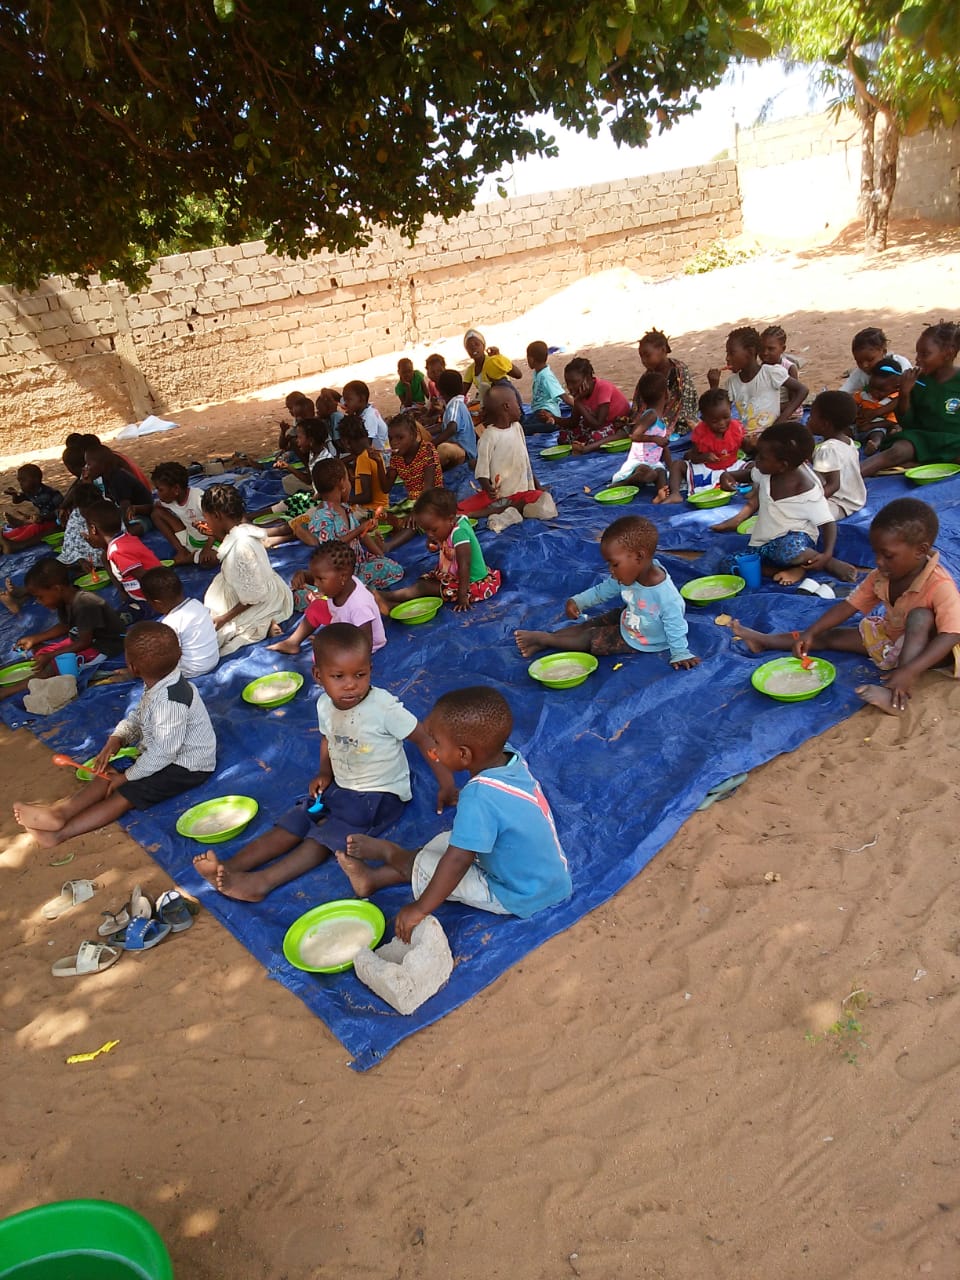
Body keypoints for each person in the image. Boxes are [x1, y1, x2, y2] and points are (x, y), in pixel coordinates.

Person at [193, 623, 456, 901]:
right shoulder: (325, 706)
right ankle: (230, 867)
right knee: (298, 818)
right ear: (318, 676)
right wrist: (324, 772)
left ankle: (262, 882)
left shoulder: (384, 708)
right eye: (338, 676)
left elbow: (425, 739)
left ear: (370, 669)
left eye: (360, 674)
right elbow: (327, 739)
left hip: (379, 795)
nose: (350, 684)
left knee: (325, 836)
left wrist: (447, 785)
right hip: (341, 788)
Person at [335, 686, 572, 939]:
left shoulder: (478, 797)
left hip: (519, 894)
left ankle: (391, 853)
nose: (432, 750)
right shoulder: (509, 757)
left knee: (436, 864)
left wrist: (419, 909)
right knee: (445, 842)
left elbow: (457, 861)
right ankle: (373, 880)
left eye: (436, 742)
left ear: (463, 754)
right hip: (546, 877)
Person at [726, 498, 960, 715]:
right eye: (876, 553)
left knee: (920, 616)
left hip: (932, 653)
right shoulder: (882, 576)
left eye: (888, 555)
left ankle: (895, 696)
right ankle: (764, 640)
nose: (878, 562)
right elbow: (848, 606)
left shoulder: (939, 584)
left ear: (920, 551)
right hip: (892, 638)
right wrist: (811, 632)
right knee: (829, 636)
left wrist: (908, 670)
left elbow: (951, 634)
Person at [13, 621, 216, 848]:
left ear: (132, 667)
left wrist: (127, 777)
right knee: (107, 774)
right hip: (160, 755)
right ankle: (59, 813)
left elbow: (164, 753)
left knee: (126, 794)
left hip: (186, 767)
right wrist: (118, 737)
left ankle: (60, 834)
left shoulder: (171, 701)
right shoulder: (160, 683)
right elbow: (139, 717)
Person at [514, 515, 699, 667]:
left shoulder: (666, 596)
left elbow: (676, 626)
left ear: (639, 557)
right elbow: (602, 590)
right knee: (590, 624)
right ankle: (547, 641)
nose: (611, 570)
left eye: (615, 564)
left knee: (590, 637)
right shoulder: (632, 573)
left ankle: (545, 639)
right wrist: (578, 601)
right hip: (631, 616)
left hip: (641, 639)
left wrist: (680, 653)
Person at [712, 423, 856, 585]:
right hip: (763, 543)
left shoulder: (805, 489)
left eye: (762, 457)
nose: (756, 460)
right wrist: (728, 476)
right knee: (728, 563)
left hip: (793, 541)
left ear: (783, 465)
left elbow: (828, 523)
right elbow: (747, 474)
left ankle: (826, 563)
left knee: (786, 549)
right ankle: (789, 570)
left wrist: (827, 554)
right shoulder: (767, 471)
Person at [2, 557, 125, 700]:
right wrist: (35, 638)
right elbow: (65, 626)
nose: (38, 602)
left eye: (40, 597)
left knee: (54, 667)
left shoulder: (85, 604)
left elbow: (84, 642)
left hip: (103, 645)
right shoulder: (64, 600)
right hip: (81, 638)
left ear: (56, 589)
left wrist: (51, 656)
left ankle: (7, 691)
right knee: (39, 652)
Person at [375, 487, 501, 614]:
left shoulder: (459, 533)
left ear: (450, 519)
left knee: (423, 587)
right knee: (425, 583)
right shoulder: (446, 526)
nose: (429, 534)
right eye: (426, 530)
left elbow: (465, 565)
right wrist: (434, 543)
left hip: (470, 583)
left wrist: (462, 596)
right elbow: (444, 546)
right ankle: (392, 600)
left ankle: (388, 597)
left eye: (433, 530)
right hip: (455, 576)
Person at [200, 483, 294, 654]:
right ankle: (269, 621)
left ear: (216, 516)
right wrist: (215, 533)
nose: (207, 523)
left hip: (257, 600)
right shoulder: (243, 529)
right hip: (263, 587)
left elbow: (253, 597)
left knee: (210, 640)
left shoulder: (241, 549)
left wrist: (223, 619)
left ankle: (266, 621)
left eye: (207, 518)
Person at [861, 322, 960, 477]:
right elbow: (906, 423)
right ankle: (849, 476)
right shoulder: (916, 381)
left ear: (949, 353)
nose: (917, 359)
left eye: (925, 354)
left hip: (954, 441)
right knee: (898, 451)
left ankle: (919, 463)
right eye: (917, 353)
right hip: (921, 439)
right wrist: (905, 393)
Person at [294, 458, 402, 590]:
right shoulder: (322, 516)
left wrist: (380, 554)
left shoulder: (344, 508)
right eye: (348, 479)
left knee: (392, 568)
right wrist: (359, 530)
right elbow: (330, 549)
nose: (350, 484)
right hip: (340, 572)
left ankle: (358, 587)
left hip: (359, 563)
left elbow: (362, 536)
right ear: (341, 484)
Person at [269, 540, 386, 655]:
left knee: (323, 659)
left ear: (343, 577)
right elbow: (316, 578)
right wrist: (302, 575)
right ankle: (292, 643)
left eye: (320, 579)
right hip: (343, 626)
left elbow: (366, 644)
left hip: (359, 645)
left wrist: (334, 646)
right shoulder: (342, 583)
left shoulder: (359, 606)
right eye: (315, 578)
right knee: (317, 607)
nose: (315, 583)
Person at [457, 386, 555, 522]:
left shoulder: (517, 427)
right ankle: (478, 513)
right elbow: (481, 470)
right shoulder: (489, 437)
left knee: (537, 499)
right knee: (505, 504)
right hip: (502, 495)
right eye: (517, 403)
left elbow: (525, 461)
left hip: (524, 491)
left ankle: (506, 510)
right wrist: (488, 489)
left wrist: (538, 486)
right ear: (506, 407)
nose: (520, 408)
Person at [707, 326, 807, 448]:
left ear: (750, 352)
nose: (727, 358)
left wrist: (779, 422)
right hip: (747, 438)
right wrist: (714, 386)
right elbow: (717, 413)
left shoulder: (770, 373)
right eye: (727, 353)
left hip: (772, 435)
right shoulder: (731, 383)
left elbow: (802, 390)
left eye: (731, 353)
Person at [655, 387, 746, 504]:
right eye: (715, 421)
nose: (722, 423)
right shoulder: (701, 433)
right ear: (704, 419)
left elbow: (745, 447)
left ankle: (755, 490)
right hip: (706, 470)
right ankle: (675, 494)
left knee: (753, 467)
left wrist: (750, 444)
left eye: (726, 417)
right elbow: (693, 457)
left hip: (732, 468)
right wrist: (704, 457)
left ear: (730, 409)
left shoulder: (736, 428)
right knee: (677, 465)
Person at [140, 566, 219, 678]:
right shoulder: (196, 604)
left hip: (193, 669)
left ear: (157, 603)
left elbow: (170, 655)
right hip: (213, 659)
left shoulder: (170, 623)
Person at [86, 499, 161, 609]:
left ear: (93, 529)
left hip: (149, 600)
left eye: (88, 530)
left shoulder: (117, 551)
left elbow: (144, 577)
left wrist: (157, 603)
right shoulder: (124, 539)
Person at [808, 391, 866, 521]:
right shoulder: (847, 441)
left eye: (811, 417)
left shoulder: (828, 449)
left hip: (838, 503)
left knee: (798, 513)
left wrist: (810, 502)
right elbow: (824, 466)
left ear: (825, 424)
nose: (808, 420)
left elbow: (833, 485)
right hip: (854, 498)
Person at [609, 370, 670, 493]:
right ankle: (625, 482)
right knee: (650, 474)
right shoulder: (651, 415)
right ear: (666, 394)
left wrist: (671, 466)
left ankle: (661, 493)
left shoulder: (660, 418)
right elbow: (634, 435)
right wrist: (654, 439)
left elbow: (663, 447)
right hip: (639, 462)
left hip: (653, 462)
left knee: (661, 473)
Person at [559, 357, 632, 452]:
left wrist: (578, 402)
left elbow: (598, 424)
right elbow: (574, 422)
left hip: (616, 422)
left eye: (574, 382)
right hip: (594, 422)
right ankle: (583, 444)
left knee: (595, 437)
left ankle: (585, 446)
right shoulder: (580, 394)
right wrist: (553, 418)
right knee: (563, 436)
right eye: (567, 383)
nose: (570, 387)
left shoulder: (603, 388)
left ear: (587, 378)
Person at [151, 462, 217, 566]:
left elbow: (216, 525)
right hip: (192, 540)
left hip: (213, 541)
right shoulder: (169, 501)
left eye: (160, 490)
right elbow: (154, 506)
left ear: (176, 489)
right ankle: (183, 552)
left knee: (209, 561)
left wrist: (207, 548)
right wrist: (136, 509)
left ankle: (187, 559)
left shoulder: (199, 499)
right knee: (156, 514)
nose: (158, 494)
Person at [635, 328, 698, 435]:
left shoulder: (679, 371)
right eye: (641, 357)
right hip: (654, 414)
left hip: (678, 417)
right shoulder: (648, 376)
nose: (644, 361)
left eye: (647, 355)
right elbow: (640, 403)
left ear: (663, 350)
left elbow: (686, 402)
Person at [83, 444, 154, 534]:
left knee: (131, 531)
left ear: (102, 464)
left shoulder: (119, 478)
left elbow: (125, 507)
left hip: (143, 515)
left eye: (89, 464)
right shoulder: (106, 477)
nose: (86, 468)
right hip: (126, 513)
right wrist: (88, 484)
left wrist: (123, 527)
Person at [2, 463, 63, 550]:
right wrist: (14, 494)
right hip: (42, 519)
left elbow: (61, 512)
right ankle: (6, 537)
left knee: (33, 528)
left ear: (36, 480)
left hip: (55, 522)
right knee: (26, 527)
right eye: (19, 481)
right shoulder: (30, 491)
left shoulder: (50, 494)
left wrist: (43, 518)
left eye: (23, 480)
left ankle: (12, 541)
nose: (20, 484)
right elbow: (17, 501)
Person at [338, 414, 391, 509]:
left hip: (371, 510)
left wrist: (341, 500)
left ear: (347, 442)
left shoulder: (363, 458)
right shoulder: (372, 451)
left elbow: (366, 497)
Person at [840, 326, 912, 395]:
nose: (865, 365)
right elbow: (843, 392)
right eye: (859, 362)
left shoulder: (901, 365)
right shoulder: (860, 374)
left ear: (883, 352)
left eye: (870, 360)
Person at [853, 359, 901, 453]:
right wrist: (856, 411)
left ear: (896, 387)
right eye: (872, 387)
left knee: (878, 433)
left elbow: (892, 421)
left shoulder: (893, 400)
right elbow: (853, 403)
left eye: (881, 390)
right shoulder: (864, 394)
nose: (874, 392)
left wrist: (871, 425)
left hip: (876, 426)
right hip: (858, 425)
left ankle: (874, 445)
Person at [462, 329, 522, 405]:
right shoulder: (471, 369)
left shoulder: (493, 361)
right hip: (490, 402)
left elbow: (518, 375)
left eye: (477, 344)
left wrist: (499, 358)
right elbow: (462, 392)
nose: (473, 348)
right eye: (469, 347)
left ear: (483, 346)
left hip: (505, 400)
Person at [433, 370, 478, 469]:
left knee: (443, 449)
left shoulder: (455, 405)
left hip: (464, 452)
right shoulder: (452, 404)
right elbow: (442, 426)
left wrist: (432, 444)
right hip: (456, 447)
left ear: (441, 391)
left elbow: (452, 428)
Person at [56, 481, 104, 573]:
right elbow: (71, 541)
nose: (89, 513)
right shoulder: (76, 515)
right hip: (82, 556)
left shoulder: (108, 512)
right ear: (78, 507)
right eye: (85, 510)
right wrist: (81, 560)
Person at [522, 341, 569, 432]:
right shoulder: (538, 372)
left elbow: (564, 397)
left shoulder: (546, 377)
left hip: (548, 413)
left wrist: (583, 408)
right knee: (523, 424)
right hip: (538, 413)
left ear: (531, 359)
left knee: (523, 429)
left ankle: (554, 423)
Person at [759, 324, 803, 421]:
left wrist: (770, 408)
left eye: (771, 349)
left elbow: (793, 401)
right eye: (762, 348)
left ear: (783, 349)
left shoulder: (789, 368)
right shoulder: (761, 368)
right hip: (769, 412)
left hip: (789, 414)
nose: (765, 353)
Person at [341, 380, 389, 451]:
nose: (345, 403)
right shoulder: (368, 410)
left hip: (382, 454)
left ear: (361, 399)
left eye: (348, 399)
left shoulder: (369, 417)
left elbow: (365, 447)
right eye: (345, 400)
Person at [277, 391, 315, 457]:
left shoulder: (314, 425)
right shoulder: (297, 421)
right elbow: (282, 445)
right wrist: (283, 431)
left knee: (293, 442)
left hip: (311, 454)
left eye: (290, 408)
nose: (289, 411)